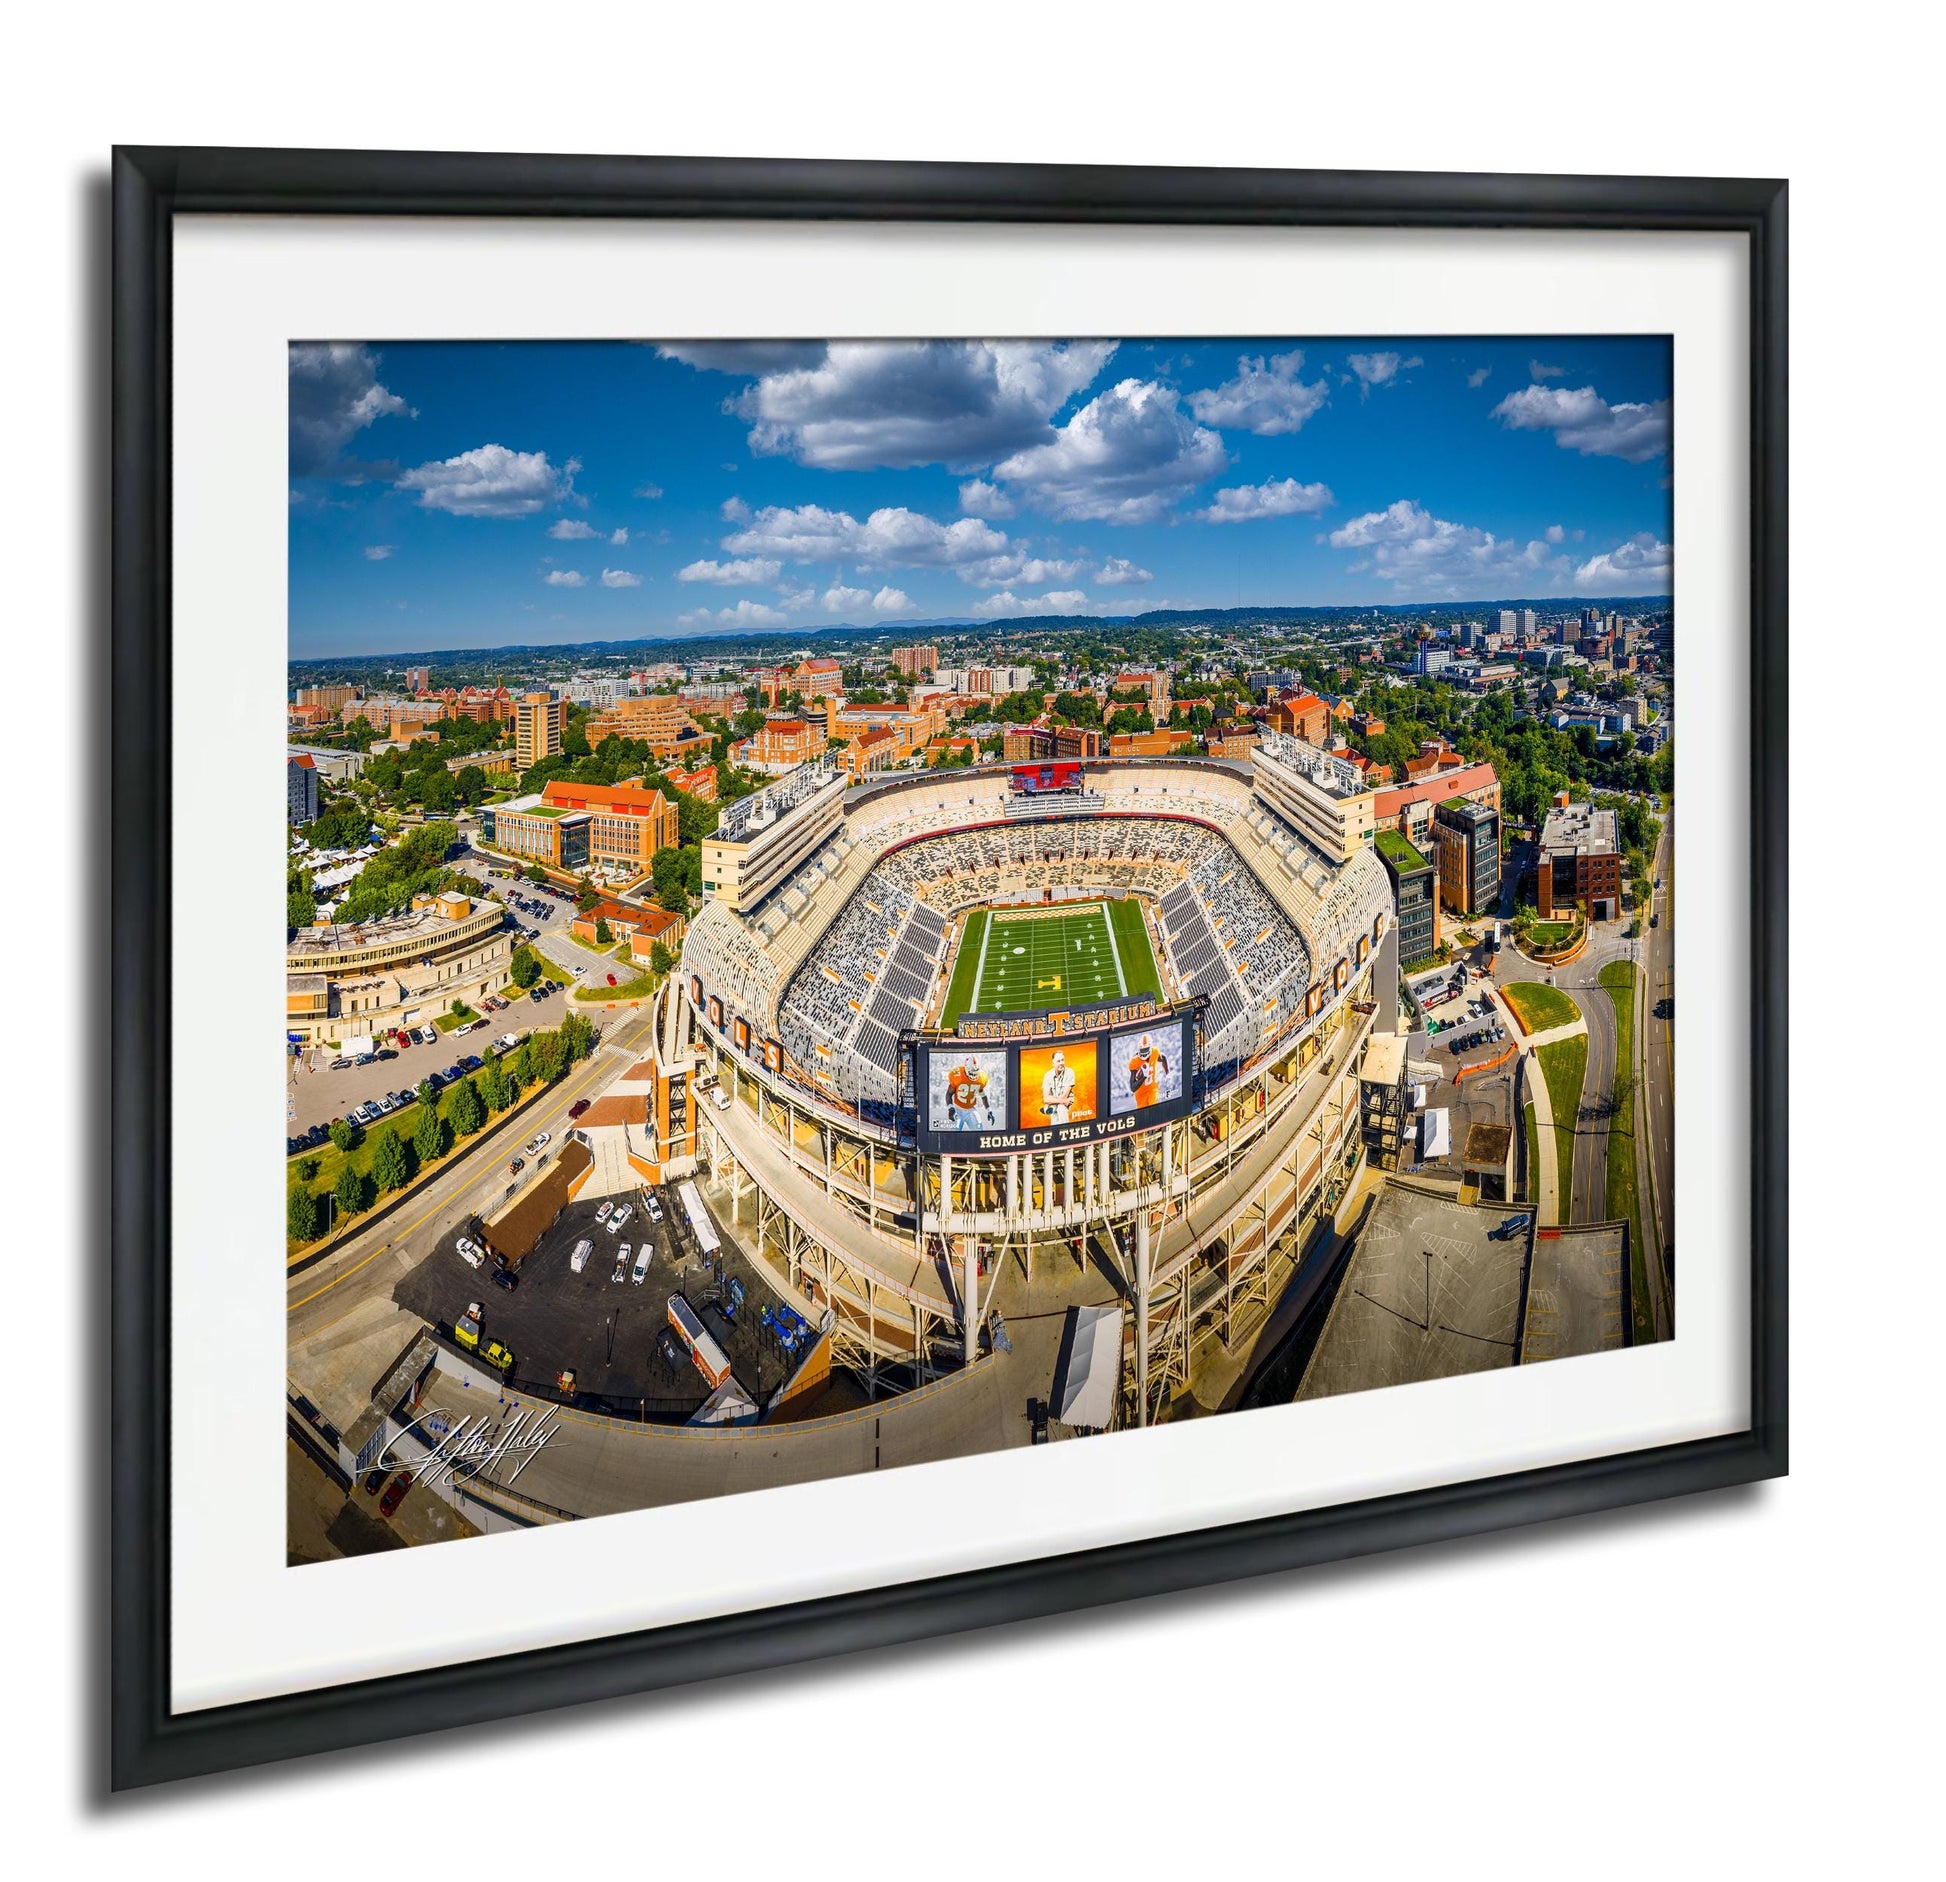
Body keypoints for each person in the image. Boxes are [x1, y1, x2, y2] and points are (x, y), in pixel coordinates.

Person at [943, 1059, 995, 1131]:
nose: (974, 1075)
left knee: (979, 1131)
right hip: (957, 1109)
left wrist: (989, 1110)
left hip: (971, 1110)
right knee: (953, 1134)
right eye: (972, 1072)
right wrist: (951, 1108)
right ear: (966, 1069)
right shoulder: (957, 1075)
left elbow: (983, 1095)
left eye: (975, 1072)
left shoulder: (981, 1078)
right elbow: (949, 1094)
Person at [1126, 1032, 1170, 1108]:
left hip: (1153, 1089)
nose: (1144, 1052)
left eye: (1146, 1049)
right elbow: (1132, 1088)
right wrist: (1144, 1077)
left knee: (1154, 1108)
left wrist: (1167, 1073)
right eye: (1142, 1050)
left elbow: (1163, 1058)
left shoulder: (1154, 1052)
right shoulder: (1135, 1061)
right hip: (1141, 1095)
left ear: (1150, 1047)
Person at [1040, 1048, 1076, 1124]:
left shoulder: (1070, 1072)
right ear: (1053, 1063)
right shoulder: (1047, 1075)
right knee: (1054, 1114)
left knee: (1060, 1108)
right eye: (1058, 1061)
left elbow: (1065, 1096)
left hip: (1066, 1101)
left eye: (1062, 1060)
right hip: (1059, 1101)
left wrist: (1049, 1103)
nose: (1061, 1063)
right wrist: (1048, 1102)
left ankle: (1065, 1130)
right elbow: (1046, 1098)